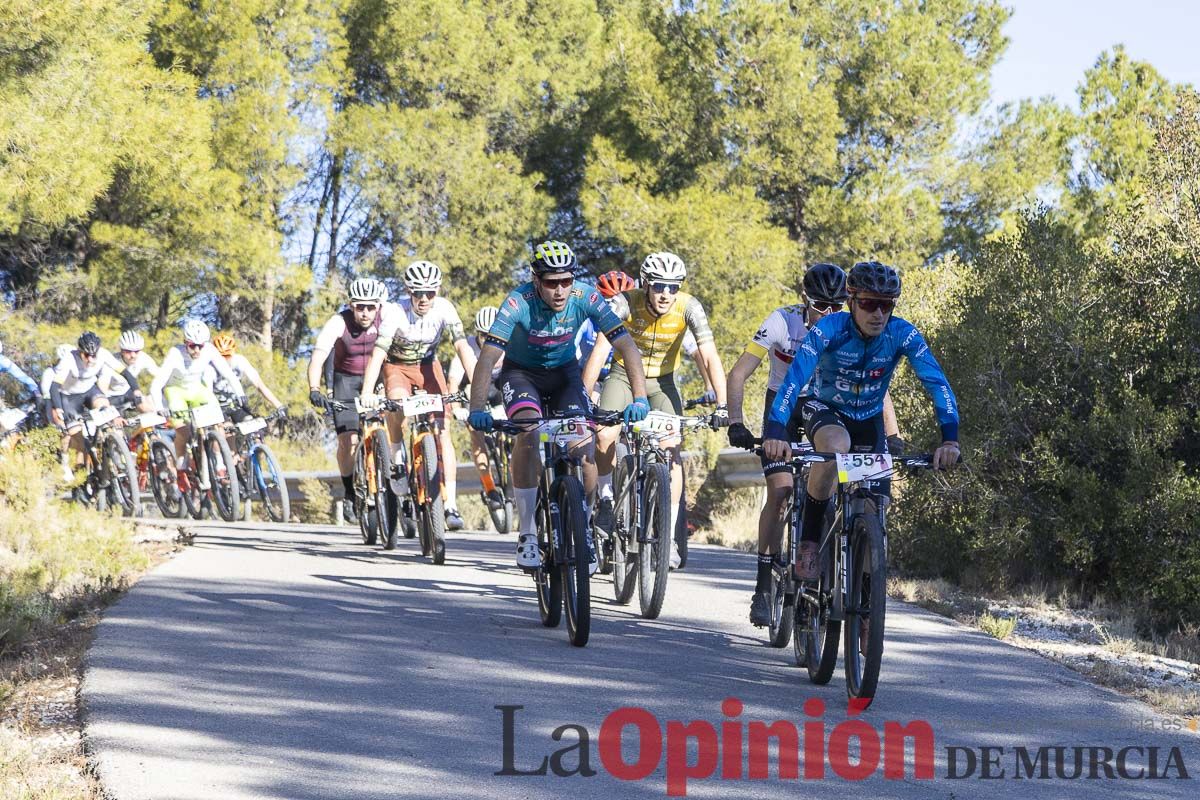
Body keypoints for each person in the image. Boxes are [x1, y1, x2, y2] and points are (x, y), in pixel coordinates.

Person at [761, 261, 960, 647]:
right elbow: (794, 380)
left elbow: (936, 382)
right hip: (826, 411)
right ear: (851, 300)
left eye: (887, 305)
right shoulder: (829, 329)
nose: (879, 314)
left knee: (873, 511)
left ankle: (867, 607)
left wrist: (949, 439)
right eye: (869, 304)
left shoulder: (902, 334)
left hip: (869, 420)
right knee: (836, 449)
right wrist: (774, 431)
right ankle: (810, 540)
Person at [728, 263, 901, 625]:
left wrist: (894, 434)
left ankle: (835, 556)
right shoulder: (782, 322)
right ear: (805, 300)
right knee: (781, 491)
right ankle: (763, 582)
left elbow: (873, 389)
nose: (830, 312)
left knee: (851, 483)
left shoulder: (850, 330)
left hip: (830, 406)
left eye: (838, 305)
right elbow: (739, 373)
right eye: (822, 305)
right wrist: (736, 422)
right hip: (786, 405)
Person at [466, 240, 651, 571]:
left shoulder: (585, 296)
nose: (561, 290)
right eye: (552, 282)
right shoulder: (517, 302)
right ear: (536, 281)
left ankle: (587, 526)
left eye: (566, 280)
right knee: (527, 431)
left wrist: (639, 397)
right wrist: (477, 408)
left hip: (564, 375)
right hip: (522, 375)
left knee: (584, 445)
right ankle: (527, 532)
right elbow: (489, 356)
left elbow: (626, 345)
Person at [582, 252, 728, 569]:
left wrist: (722, 403)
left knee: (672, 449)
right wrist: (583, 396)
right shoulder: (623, 303)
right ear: (646, 284)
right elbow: (600, 351)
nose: (666, 294)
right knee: (605, 434)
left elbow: (710, 356)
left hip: (662, 383)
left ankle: (670, 537)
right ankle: (605, 498)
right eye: (659, 285)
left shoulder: (689, 307)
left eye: (673, 287)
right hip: (622, 376)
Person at [360, 260, 477, 531]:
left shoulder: (445, 308)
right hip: (397, 366)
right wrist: (367, 392)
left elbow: (462, 348)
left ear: (437, 291)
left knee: (443, 430)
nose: (423, 299)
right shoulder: (394, 312)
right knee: (397, 405)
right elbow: (378, 354)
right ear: (408, 291)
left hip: (428, 366)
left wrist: (477, 387)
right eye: (417, 293)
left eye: (430, 293)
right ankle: (397, 455)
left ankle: (449, 504)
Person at [306, 278, 399, 524]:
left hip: (377, 378)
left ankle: (389, 469)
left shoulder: (387, 316)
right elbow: (318, 356)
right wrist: (315, 388)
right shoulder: (339, 322)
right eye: (360, 307)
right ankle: (349, 490)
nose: (366, 312)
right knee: (348, 440)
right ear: (351, 305)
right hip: (345, 381)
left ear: (378, 306)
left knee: (392, 424)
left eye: (370, 307)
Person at [149, 320, 243, 472]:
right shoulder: (175, 353)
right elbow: (157, 383)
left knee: (217, 418)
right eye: (193, 346)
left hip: (195, 388)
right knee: (183, 431)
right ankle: (181, 461)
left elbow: (228, 373)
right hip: (175, 390)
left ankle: (219, 460)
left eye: (201, 346)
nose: (197, 350)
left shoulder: (210, 350)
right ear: (185, 342)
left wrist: (240, 394)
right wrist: (160, 407)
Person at [48, 332, 138, 479]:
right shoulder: (69, 359)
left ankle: (112, 444)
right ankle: (84, 472)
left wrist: (137, 390)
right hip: (69, 397)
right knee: (78, 438)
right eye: (86, 355)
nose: (90, 359)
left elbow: (124, 372)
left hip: (90, 391)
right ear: (80, 351)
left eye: (93, 355)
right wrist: (58, 408)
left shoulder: (103, 354)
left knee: (106, 408)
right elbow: (54, 386)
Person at [447, 306, 508, 511]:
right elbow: (453, 381)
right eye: (483, 335)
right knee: (476, 432)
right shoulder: (469, 347)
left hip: (499, 387)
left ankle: (509, 455)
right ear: (477, 334)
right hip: (472, 390)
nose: (487, 339)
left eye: (492, 335)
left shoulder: (508, 345)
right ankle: (489, 486)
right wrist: (457, 408)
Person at [206, 332, 286, 423]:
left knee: (253, 428)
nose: (224, 359)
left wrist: (278, 405)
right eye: (221, 356)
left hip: (235, 404)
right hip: (217, 406)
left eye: (228, 355)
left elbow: (259, 385)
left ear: (233, 352)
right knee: (225, 430)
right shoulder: (209, 367)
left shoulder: (240, 361)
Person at [0, 338, 43, 408]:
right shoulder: (4, 362)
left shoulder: (4, 362)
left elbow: (22, 376)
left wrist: (35, 390)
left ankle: (35, 391)